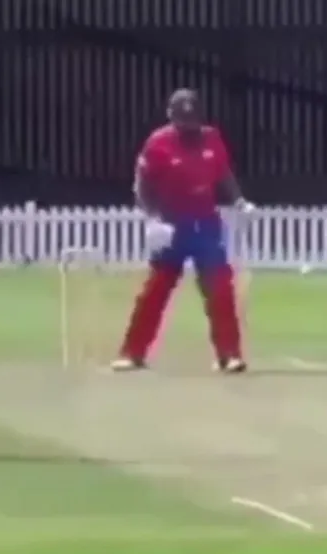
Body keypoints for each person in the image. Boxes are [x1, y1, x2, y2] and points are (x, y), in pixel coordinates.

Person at [113, 88, 255, 373]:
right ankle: (132, 353)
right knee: (155, 292)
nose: (189, 131)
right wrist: (152, 218)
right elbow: (142, 186)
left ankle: (229, 355)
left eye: (193, 123)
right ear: (171, 117)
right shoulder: (158, 143)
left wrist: (239, 200)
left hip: (205, 225)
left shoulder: (212, 138)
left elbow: (223, 173)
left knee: (220, 290)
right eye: (183, 124)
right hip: (172, 226)